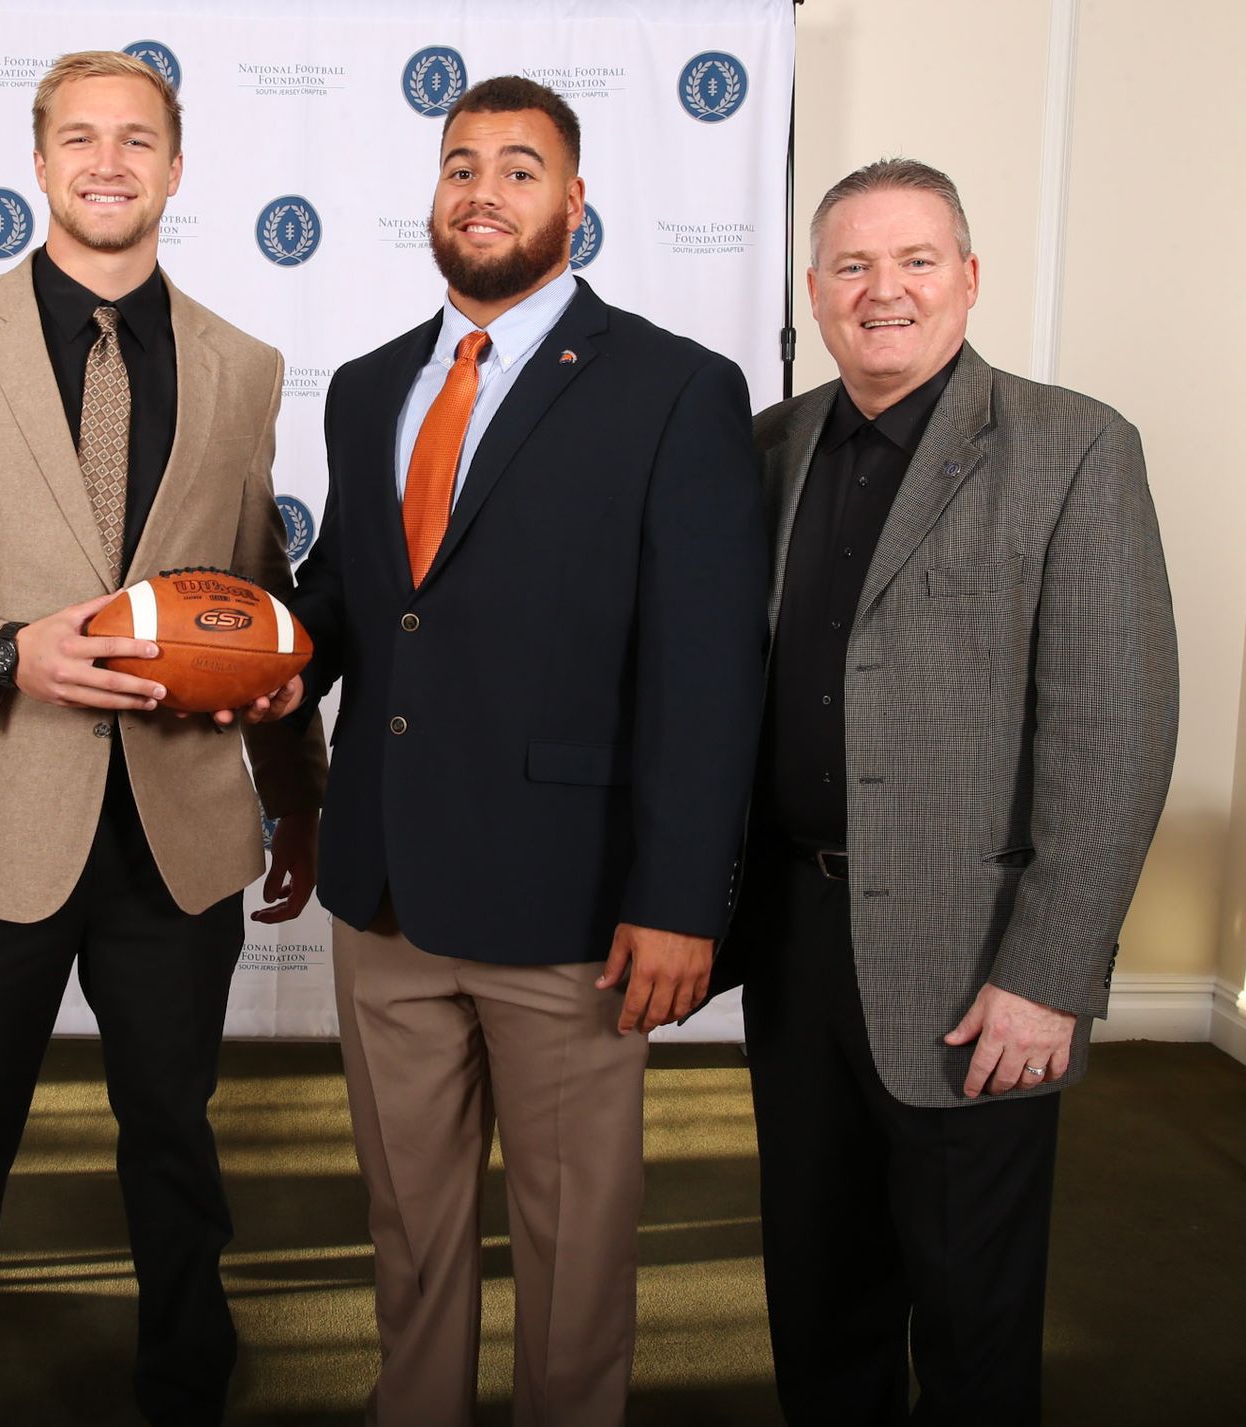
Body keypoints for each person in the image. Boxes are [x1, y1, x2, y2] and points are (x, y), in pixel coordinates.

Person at [0, 50, 326, 1427]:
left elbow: (251, 593)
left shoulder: (244, 365)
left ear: (174, 166)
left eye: (138, 138)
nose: (110, 161)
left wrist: (298, 784)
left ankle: (185, 1390)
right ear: (37, 163)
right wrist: (2, 649)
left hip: (181, 833)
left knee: (174, 1140)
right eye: (81, 138)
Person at [286, 75, 766, 1427]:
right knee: (410, 1235)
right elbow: (362, 601)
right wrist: (256, 650)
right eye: (460, 165)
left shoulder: (675, 388)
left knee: (573, 1252)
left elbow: (707, 669)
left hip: (572, 907)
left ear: (575, 202)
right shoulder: (374, 384)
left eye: (519, 166)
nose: (482, 190)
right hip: (384, 895)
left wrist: (680, 897)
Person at [723, 157, 1177, 1423]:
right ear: (815, 291)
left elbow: (1114, 731)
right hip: (796, 942)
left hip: (978, 966)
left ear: (968, 279)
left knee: (972, 1325)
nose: (885, 291)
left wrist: (1048, 971)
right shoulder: (768, 449)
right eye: (853, 265)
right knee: (818, 1299)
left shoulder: (1073, 445)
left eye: (916, 260)